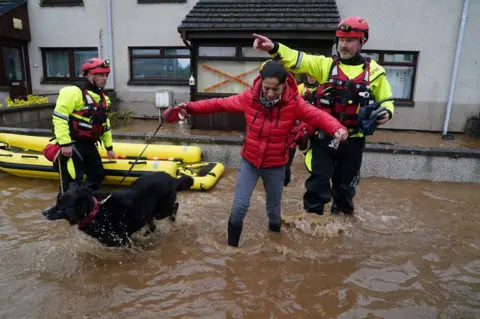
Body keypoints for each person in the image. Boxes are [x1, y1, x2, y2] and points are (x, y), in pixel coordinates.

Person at [163, 60, 348, 247]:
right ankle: (232, 252)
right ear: (261, 82)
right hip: (249, 162)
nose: (269, 94)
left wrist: (338, 129)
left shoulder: (294, 104)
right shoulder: (249, 98)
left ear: (284, 85)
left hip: (276, 165)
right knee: (239, 208)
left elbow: (318, 116)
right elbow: (219, 104)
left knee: (274, 213)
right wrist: (189, 108)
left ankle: (274, 246)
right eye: (266, 88)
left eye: (275, 89)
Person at [252, 16, 395, 216]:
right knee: (318, 185)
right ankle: (313, 225)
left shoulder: (375, 72)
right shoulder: (325, 65)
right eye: (341, 40)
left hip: (353, 141)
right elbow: (297, 58)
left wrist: (386, 112)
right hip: (324, 139)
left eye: (350, 41)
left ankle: (342, 224)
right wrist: (274, 47)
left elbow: (386, 100)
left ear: (362, 42)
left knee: (344, 189)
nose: (343, 45)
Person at [43, 58, 116, 200]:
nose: (105, 78)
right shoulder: (73, 93)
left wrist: (109, 147)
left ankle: (83, 203)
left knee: (97, 175)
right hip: (72, 145)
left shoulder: (104, 99)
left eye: (106, 75)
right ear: (89, 75)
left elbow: (105, 124)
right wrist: (65, 144)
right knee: (72, 182)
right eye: (100, 74)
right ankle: (63, 211)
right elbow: (59, 118)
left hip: (89, 145)